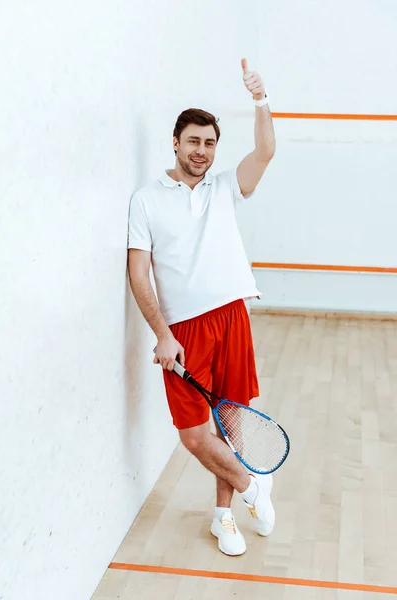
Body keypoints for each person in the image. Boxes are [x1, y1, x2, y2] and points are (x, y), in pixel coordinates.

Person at [127, 58, 276, 556]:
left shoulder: (224, 186)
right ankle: (252, 485)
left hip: (231, 314)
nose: (202, 151)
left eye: (210, 143)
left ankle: (224, 517)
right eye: (193, 141)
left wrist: (260, 100)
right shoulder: (146, 200)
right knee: (194, 434)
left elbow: (266, 151)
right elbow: (138, 273)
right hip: (183, 332)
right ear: (175, 142)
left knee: (231, 421)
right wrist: (163, 333)